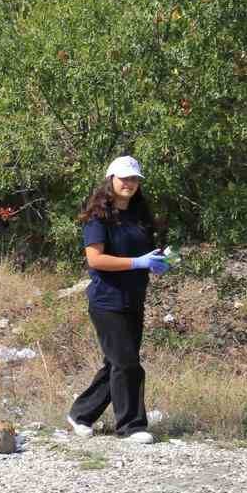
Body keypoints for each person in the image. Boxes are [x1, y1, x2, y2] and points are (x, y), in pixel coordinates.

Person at [66, 155, 170, 445]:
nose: (130, 184)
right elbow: (95, 259)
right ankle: (131, 426)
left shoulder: (140, 217)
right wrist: (137, 262)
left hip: (134, 299)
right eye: (124, 178)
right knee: (128, 364)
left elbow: (148, 254)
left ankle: (81, 414)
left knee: (116, 363)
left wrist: (158, 262)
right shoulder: (98, 217)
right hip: (106, 301)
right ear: (110, 179)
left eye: (135, 179)